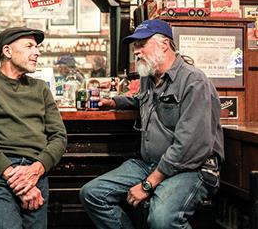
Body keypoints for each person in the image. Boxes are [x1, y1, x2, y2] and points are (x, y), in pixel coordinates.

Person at [80, 19, 224, 229]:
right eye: (135, 46)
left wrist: (149, 184)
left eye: (142, 44)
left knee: (162, 220)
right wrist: (113, 102)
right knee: (92, 194)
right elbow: (141, 100)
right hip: (150, 163)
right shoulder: (150, 75)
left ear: (164, 44)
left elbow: (189, 146)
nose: (136, 51)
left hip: (192, 168)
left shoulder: (194, 81)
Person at [0, 27, 68, 229]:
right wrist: (15, 178)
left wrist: (35, 171)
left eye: (37, 47)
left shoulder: (41, 88)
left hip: (34, 171)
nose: (36, 52)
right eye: (29, 46)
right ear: (7, 51)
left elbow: (59, 137)